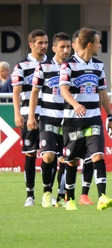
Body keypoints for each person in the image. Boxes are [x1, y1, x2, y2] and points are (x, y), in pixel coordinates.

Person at [59, 28, 112, 211]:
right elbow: (63, 89)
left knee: (98, 156)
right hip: (72, 121)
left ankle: (102, 197)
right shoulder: (68, 65)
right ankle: (69, 199)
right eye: (98, 42)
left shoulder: (99, 66)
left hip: (93, 119)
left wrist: (111, 116)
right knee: (72, 161)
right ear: (90, 45)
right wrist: (75, 104)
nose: (100, 45)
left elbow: (103, 93)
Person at [27, 32, 72, 208]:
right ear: (54, 49)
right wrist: (31, 115)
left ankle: (61, 196)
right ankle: (47, 192)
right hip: (48, 117)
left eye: (68, 46)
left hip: (68, 119)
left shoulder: (74, 68)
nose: (66, 50)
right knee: (47, 157)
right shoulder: (44, 67)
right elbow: (35, 92)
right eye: (62, 47)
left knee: (65, 159)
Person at [11, 29, 48, 207]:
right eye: (40, 43)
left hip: (50, 114)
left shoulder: (54, 65)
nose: (44, 46)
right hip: (28, 114)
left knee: (51, 155)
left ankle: (49, 194)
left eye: (46, 43)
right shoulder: (21, 66)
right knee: (30, 154)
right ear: (31, 44)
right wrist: (18, 114)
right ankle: (30, 195)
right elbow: (16, 92)